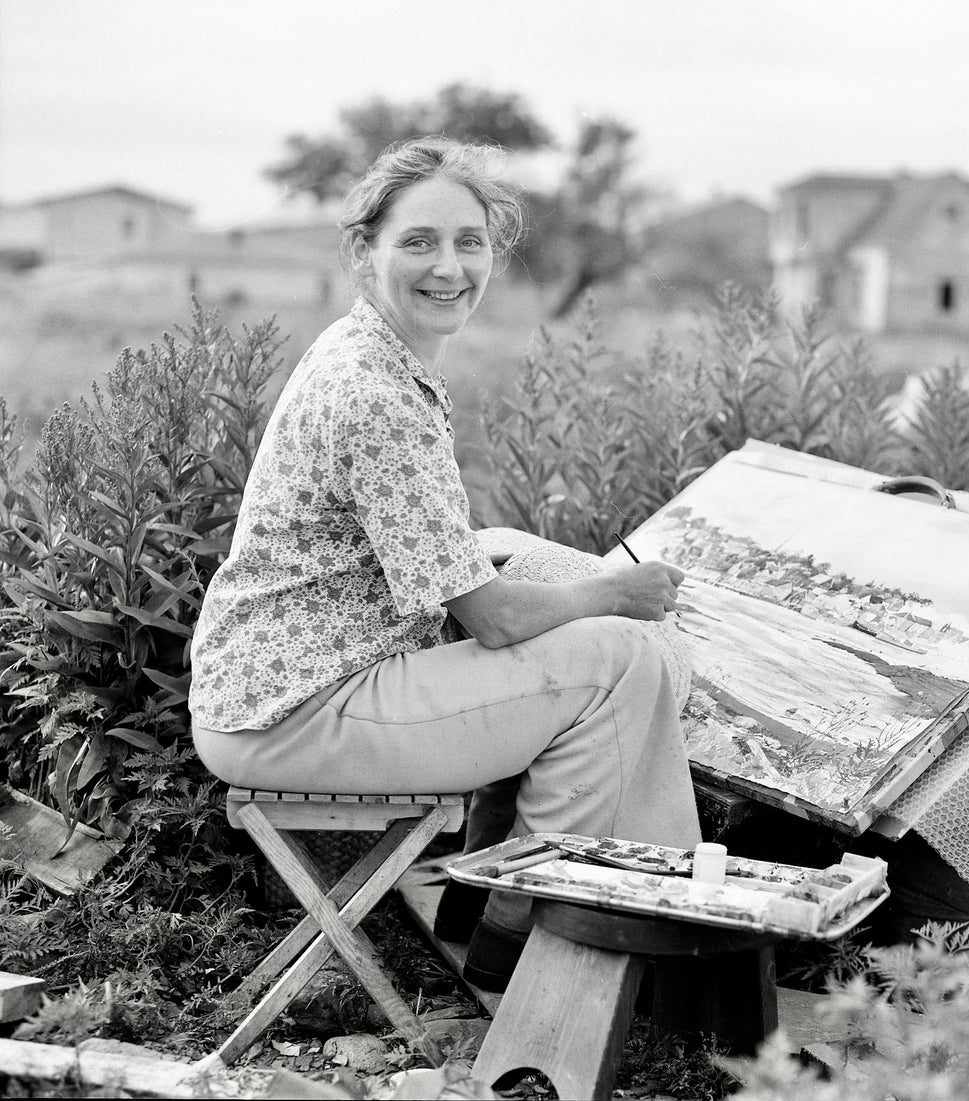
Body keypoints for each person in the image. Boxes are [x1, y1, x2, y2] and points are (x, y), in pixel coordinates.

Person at [189, 135, 703, 990]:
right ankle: (568, 953)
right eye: (418, 242)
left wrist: (536, 575)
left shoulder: (370, 351)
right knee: (620, 658)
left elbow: (439, 559)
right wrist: (616, 590)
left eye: (469, 242)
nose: (449, 267)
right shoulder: (375, 394)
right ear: (364, 251)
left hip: (287, 684)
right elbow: (493, 619)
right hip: (297, 713)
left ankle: (504, 912)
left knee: (530, 576)